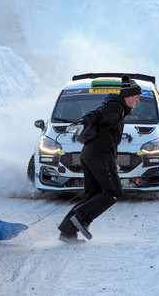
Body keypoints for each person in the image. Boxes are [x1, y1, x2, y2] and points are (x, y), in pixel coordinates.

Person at [58, 75, 142, 244]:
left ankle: (68, 232)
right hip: (100, 155)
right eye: (137, 98)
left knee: (93, 194)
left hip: (91, 154)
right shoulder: (116, 107)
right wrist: (83, 121)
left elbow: (98, 115)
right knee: (113, 192)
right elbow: (96, 114)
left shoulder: (116, 106)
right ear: (129, 96)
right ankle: (81, 219)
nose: (138, 102)